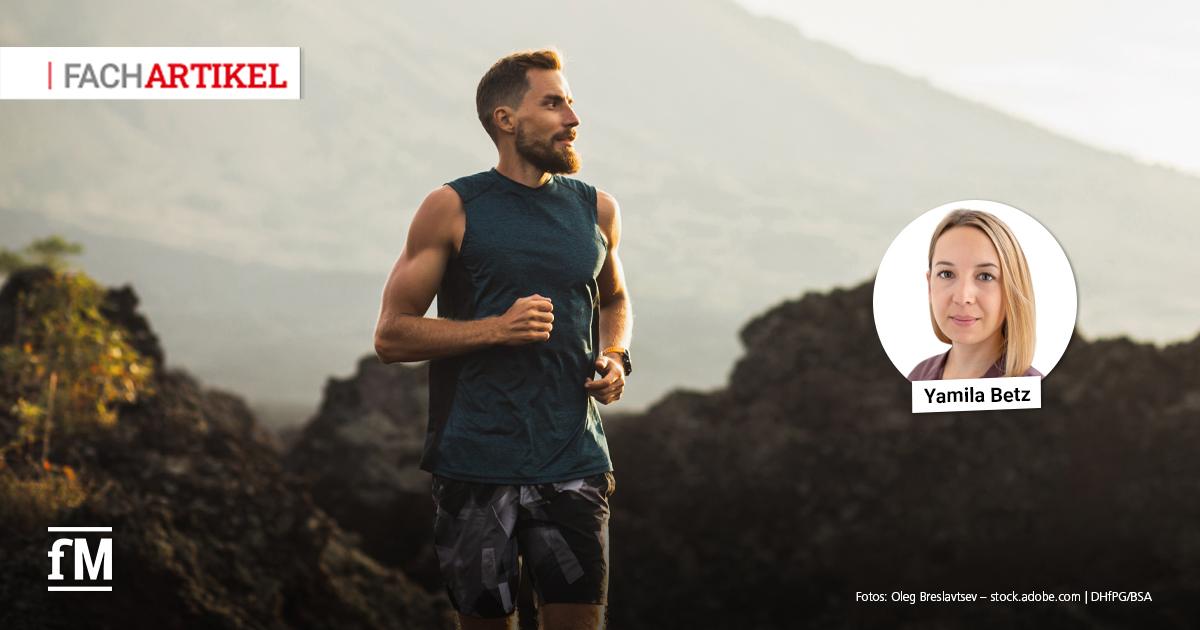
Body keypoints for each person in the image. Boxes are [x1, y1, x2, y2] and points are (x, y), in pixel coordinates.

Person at [373, 48, 631, 630]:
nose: (573, 118)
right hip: (475, 464)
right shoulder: (452, 207)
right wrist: (496, 329)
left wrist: (615, 355)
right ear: (506, 119)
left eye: (570, 102)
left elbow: (614, 298)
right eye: (554, 103)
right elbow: (391, 335)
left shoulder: (597, 210)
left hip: (574, 462)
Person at [908, 209, 1040, 381]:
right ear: (929, 286)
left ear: (1012, 290)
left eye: (985, 276)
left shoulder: (1037, 390)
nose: (963, 298)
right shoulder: (917, 377)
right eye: (947, 274)